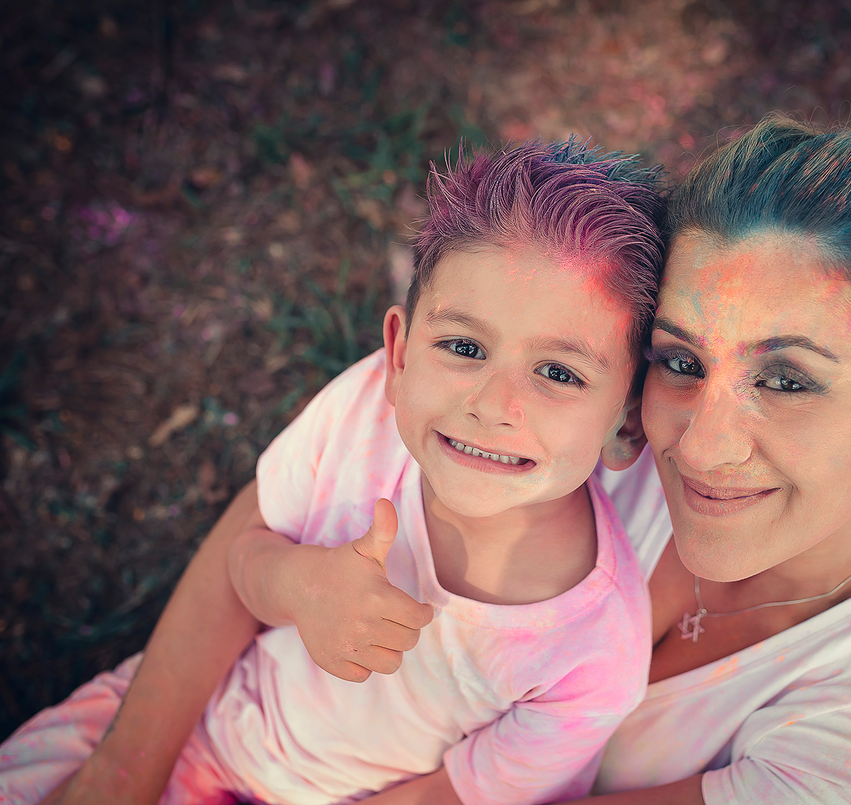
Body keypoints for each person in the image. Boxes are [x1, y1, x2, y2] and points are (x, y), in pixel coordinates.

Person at [20, 113, 851, 804]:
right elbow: (277, 520)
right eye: (679, 359)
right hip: (222, 712)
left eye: (787, 379)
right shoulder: (530, 407)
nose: (698, 440)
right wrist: (122, 773)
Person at [0, 139, 668, 805]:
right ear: (399, 355)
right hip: (198, 717)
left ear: (627, 423)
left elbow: (447, 796)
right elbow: (244, 557)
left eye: (559, 373)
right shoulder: (367, 416)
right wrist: (298, 585)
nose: (493, 405)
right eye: (464, 346)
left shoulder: (594, 656)